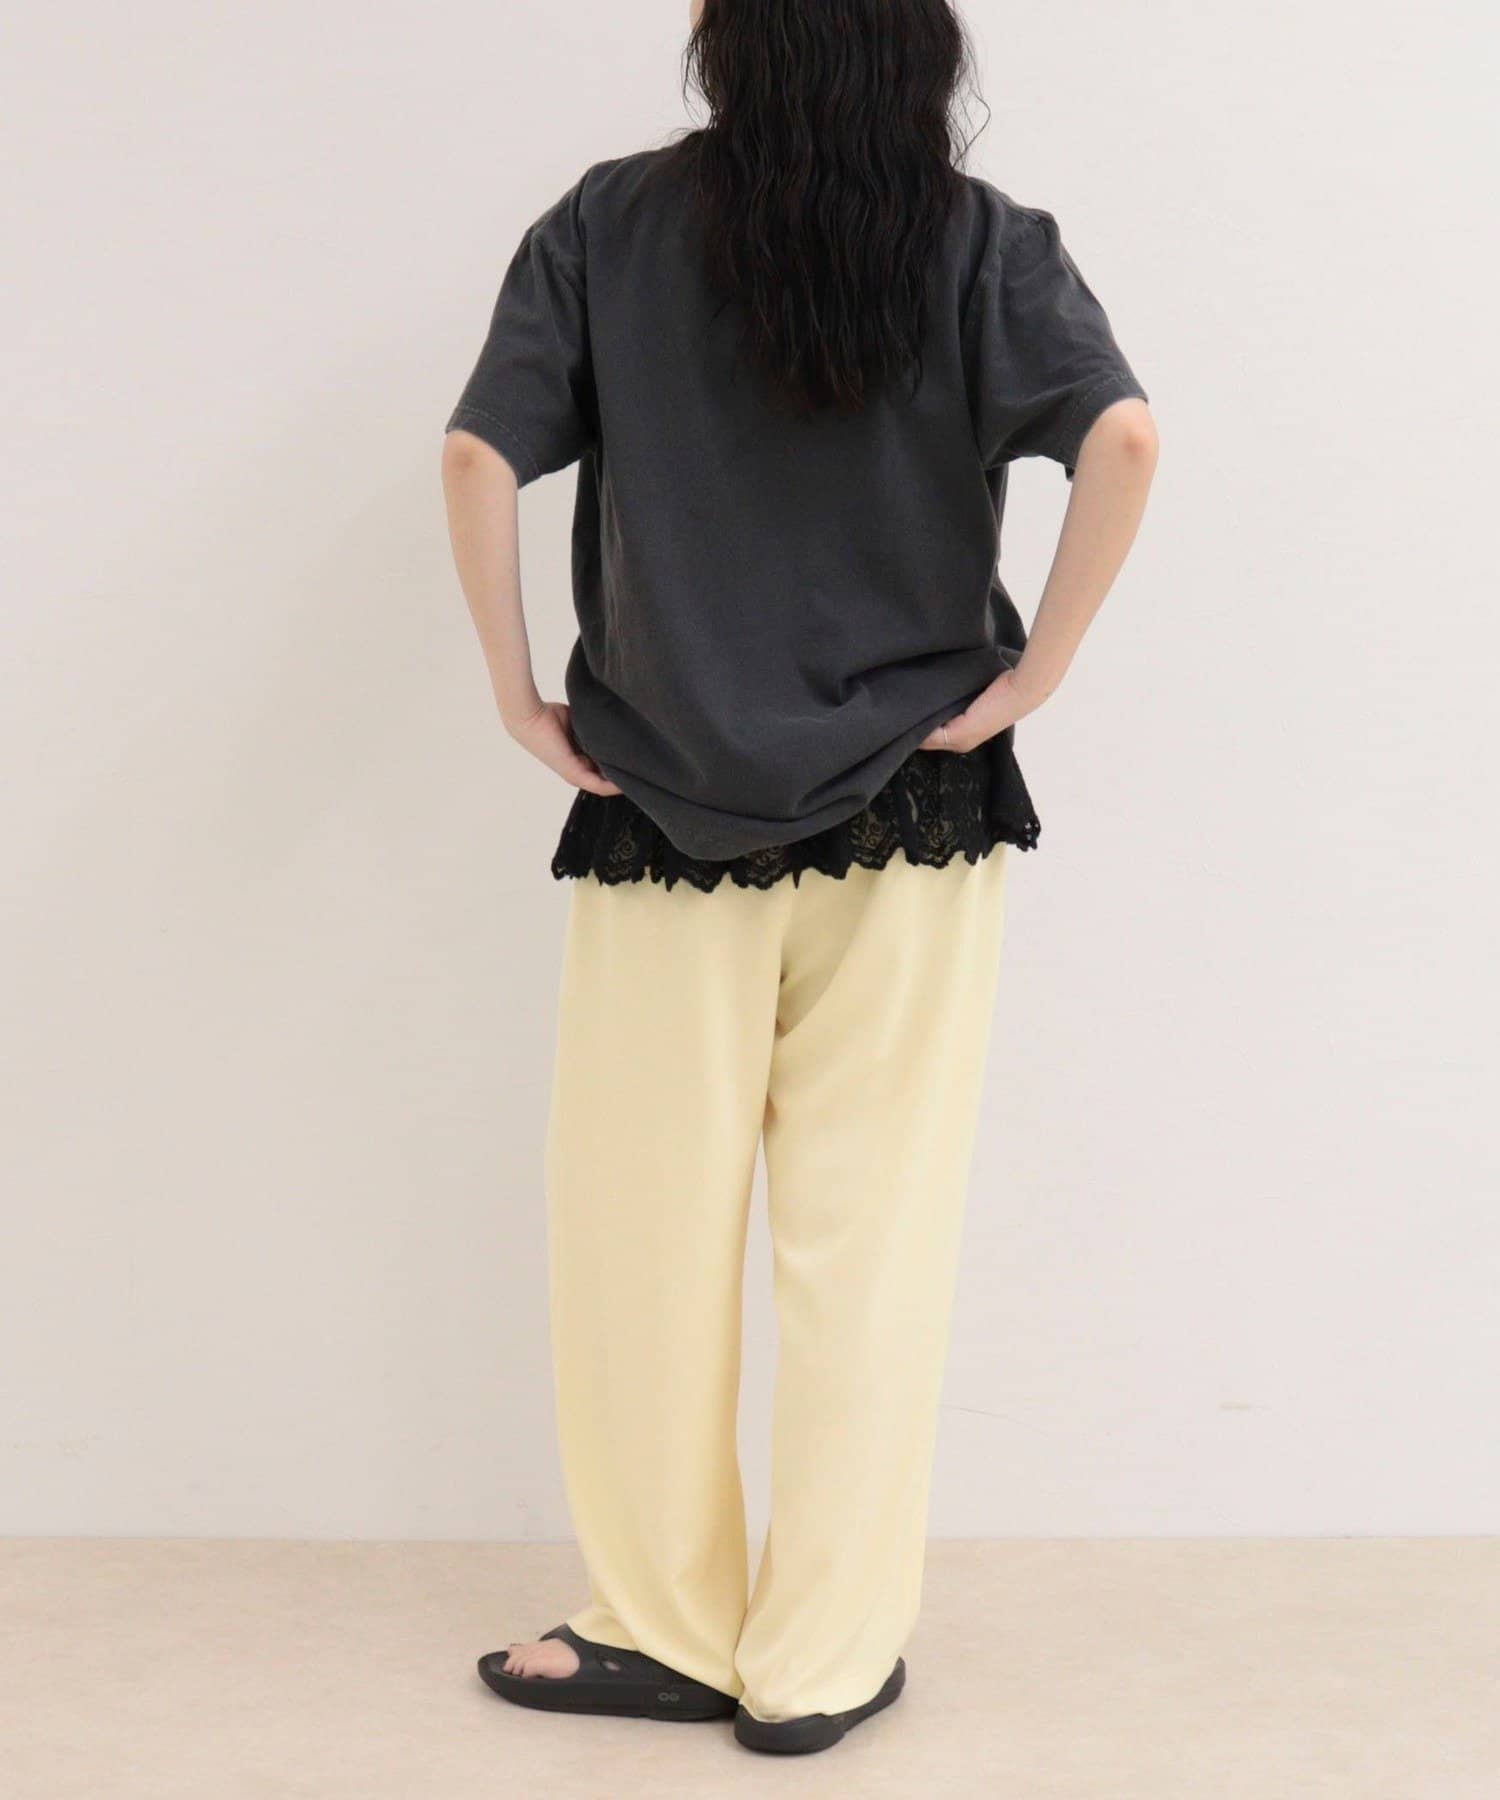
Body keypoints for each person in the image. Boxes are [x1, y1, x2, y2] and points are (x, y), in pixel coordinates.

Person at [441, 0, 1157, 1758]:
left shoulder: (608, 224)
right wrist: (1037, 674)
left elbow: (476, 453)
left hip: (660, 807)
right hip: (916, 808)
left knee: (641, 1235)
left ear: (730, 39)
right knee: (872, 1244)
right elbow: (1125, 441)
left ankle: (666, 1630)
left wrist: (517, 693)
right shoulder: (983, 241)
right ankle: (825, 1657)